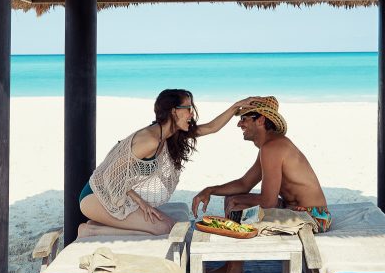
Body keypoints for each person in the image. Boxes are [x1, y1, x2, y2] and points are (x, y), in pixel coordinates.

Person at [190, 96, 330, 273]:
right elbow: (244, 183)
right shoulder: (270, 147)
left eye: (244, 118)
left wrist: (237, 203)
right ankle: (231, 264)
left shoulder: (273, 148)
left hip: (313, 217)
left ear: (261, 120)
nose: (239, 123)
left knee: (239, 209)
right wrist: (210, 189)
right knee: (232, 199)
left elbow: (268, 202)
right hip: (295, 210)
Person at [80, 89, 262, 235]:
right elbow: (111, 175)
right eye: (188, 108)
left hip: (117, 195)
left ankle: (97, 224)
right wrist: (141, 203)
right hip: (96, 197)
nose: (191, 114)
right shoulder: (150, 140)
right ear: (173, 111)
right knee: (162, 229)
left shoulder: (171, 134)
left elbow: (211, 127)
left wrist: (235, 107)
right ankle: (90, 230)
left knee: (172, 226)